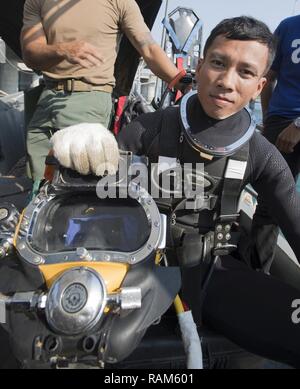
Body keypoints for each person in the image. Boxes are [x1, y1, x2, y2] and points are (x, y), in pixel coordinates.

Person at [51, 17, 300, 368]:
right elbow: (83, 190)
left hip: (216, 272)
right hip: (139, 268)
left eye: (245, 72)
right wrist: (80, 152)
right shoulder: (151, 127)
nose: (226, 82)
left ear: (260, 87)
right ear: (199, 66)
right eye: (218, 63)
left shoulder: (262, 154)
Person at [21, 0, 187, 181]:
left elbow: (148, 48)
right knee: (36, 182)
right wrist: (64, 50)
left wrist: (183, 83)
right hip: (46, 99)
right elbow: (30, 53)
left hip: (88, 98)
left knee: (72, 183)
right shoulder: (37, 1)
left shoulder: (120, 2)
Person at [251, 14, 300, 274]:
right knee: (269, 205)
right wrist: (270, 119)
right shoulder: (288, 26)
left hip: (295, 124)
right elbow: (269, 76)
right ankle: (258, 276)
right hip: (280, 121)